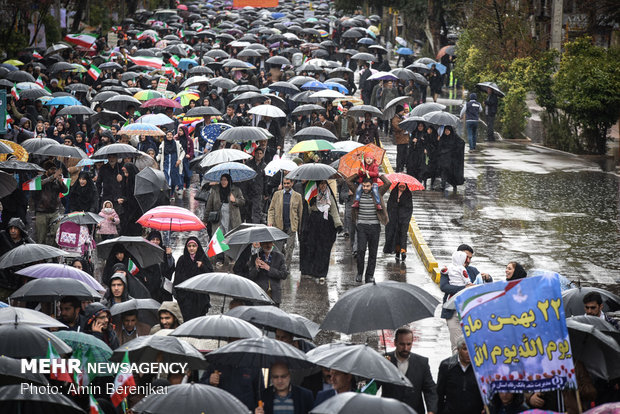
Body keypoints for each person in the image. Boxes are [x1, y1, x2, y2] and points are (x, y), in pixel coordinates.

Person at [346, 174, 391, 283]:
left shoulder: (378, 192)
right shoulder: (358, 191)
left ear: (372, 186)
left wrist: (378, 175)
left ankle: (369, 275)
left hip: (375, 226)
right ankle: (360, 273)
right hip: (362, 226)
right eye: (364, 186)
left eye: (368, 186)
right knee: (361, 251)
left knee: (373, 253)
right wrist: (359, 174)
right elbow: (348, 181)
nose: (365, 188)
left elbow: (388, 183)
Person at [382, 328, 438, 414]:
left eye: (409, 344)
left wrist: (431, 410)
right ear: (395, 343)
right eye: (402, 344)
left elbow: (430, 389)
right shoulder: (384, 360)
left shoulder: (422, 363)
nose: (405, 348)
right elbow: (373, 385)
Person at [300, 180, 342, 281]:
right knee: (313, 248)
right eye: (321, 184)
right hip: (313, 225)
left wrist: (338, 224)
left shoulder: (329, 196)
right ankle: (312, 271)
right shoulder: (313, 195)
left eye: (324, 184)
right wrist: (311, 203)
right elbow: (307, 211)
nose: (323, 186)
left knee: (324, 250)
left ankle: (322, 273)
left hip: (326, 225)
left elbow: (334, 212)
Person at [436, 338, 483, 414]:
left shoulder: (480, 367)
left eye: (471, 349)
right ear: (458, 350)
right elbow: (439, 393)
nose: (469, 352)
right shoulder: (447, 366)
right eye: (465, 349)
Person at [173, 237, 213, 321]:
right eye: (189, 246)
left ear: (197, 247)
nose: (191, 248)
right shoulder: (182, 260)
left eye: (194, 246)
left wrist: (202, 267)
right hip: (186, 298)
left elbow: (210, 276)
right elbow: (178, 278)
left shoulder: (203, 259)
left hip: (200, 298)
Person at [267, 177, 303, 270]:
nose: (286, 185)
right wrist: (270, 221)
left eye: (288, 183)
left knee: (290, 248)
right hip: (279, 225)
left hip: (292, 225)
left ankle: (286, 268)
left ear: (292, 183)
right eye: (284, 183)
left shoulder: (297, 196)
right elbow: (271, 209)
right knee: (278, 248)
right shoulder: (277, 194)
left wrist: (300, 228)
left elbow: (300, 213)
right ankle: (279, 264)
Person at [33, 160, 68, 244]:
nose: (54, 171)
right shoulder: (40, 179)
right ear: (46, 170)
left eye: (55, 169)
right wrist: (51, 178)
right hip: (41, 212)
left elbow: (65, 190)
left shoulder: (56, 180)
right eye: (52, 169)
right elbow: (38, 185)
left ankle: (54, 254)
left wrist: (60, 181)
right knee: (41, 238)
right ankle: (42, 256)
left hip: (54, 212)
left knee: (57, 233)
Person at [248, 241, 288, 306]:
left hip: (275, 295)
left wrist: (269, 268)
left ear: (273, 244)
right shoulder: (255, 257)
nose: (268, 245)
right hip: (260, 295)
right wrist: (256, 267)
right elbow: (250, 276)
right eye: (265, 243)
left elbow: (284, 274)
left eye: (269, 243)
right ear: (261, 244)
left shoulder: (280, 256)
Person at [383, 182, 413, 262]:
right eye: (400, 187)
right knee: (395, 235)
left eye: (403, 187)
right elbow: (390, 204)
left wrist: (401, 203)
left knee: (403, 234)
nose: (402, 189)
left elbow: (409, 207)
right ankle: (397, 252)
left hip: (404, 218)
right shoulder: (394, 192)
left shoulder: (408, 194)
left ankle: (403, 251)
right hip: (394, 218)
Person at [437, 126, 465, 193]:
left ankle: (454, 185)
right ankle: (442, 186)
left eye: (448, 130)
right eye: (445, 130)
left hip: (451, 160)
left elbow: (462, 143)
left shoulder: (455, 137)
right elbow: (439, 147)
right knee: (444, 172)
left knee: (451, 174)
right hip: (444, 159)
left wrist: (455, 151)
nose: (446, 132)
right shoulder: (443, 137)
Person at [158, 131, 185, 198]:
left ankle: (172, 193)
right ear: (165, 136)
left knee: (173, 179)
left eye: (171, 135)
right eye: (168, 135)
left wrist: (179, 160)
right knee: (166, 179)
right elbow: (159, 154)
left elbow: (183, 152)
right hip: (166, 165)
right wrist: (154, 158)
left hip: (174, 165)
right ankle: (167, 194)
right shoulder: (162, 145)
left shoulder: (177, 144)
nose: (169, 136)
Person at [392, 105, 409, 172]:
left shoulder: (402, 118)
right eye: (402, 111)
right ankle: (398, 167)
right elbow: (398, 128)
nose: (403, 112)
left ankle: (402, 167)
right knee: (400, 155)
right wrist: (404, 125)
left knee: (405, 155)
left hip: (405, 140)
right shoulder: (395, 119)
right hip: (400, 140)